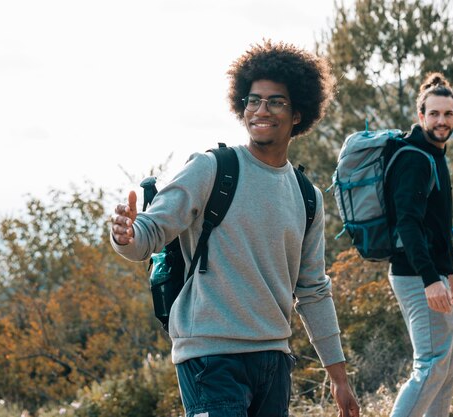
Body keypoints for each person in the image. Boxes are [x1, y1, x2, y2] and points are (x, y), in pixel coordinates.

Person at [111, 40, 360, 417]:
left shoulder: (307, 196)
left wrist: (339, 377)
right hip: (210, 357)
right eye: (253, 100)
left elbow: (312, 290)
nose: (261, 110)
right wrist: (125, 235)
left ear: (297, 114)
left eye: (275, 101)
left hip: (273, 361)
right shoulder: (212, 168)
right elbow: (148, 234)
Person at [384, 72, 453, 417]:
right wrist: (431, 278)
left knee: (445, 370)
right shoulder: (416, 158)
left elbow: (436, 223)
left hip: (430, 271)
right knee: (431, 365)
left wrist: (448, 271)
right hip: (415, 274)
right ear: (421, 116)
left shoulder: (434, 154)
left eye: (447, 114)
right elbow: (408, 225)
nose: (441, 121)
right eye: (434, 114)